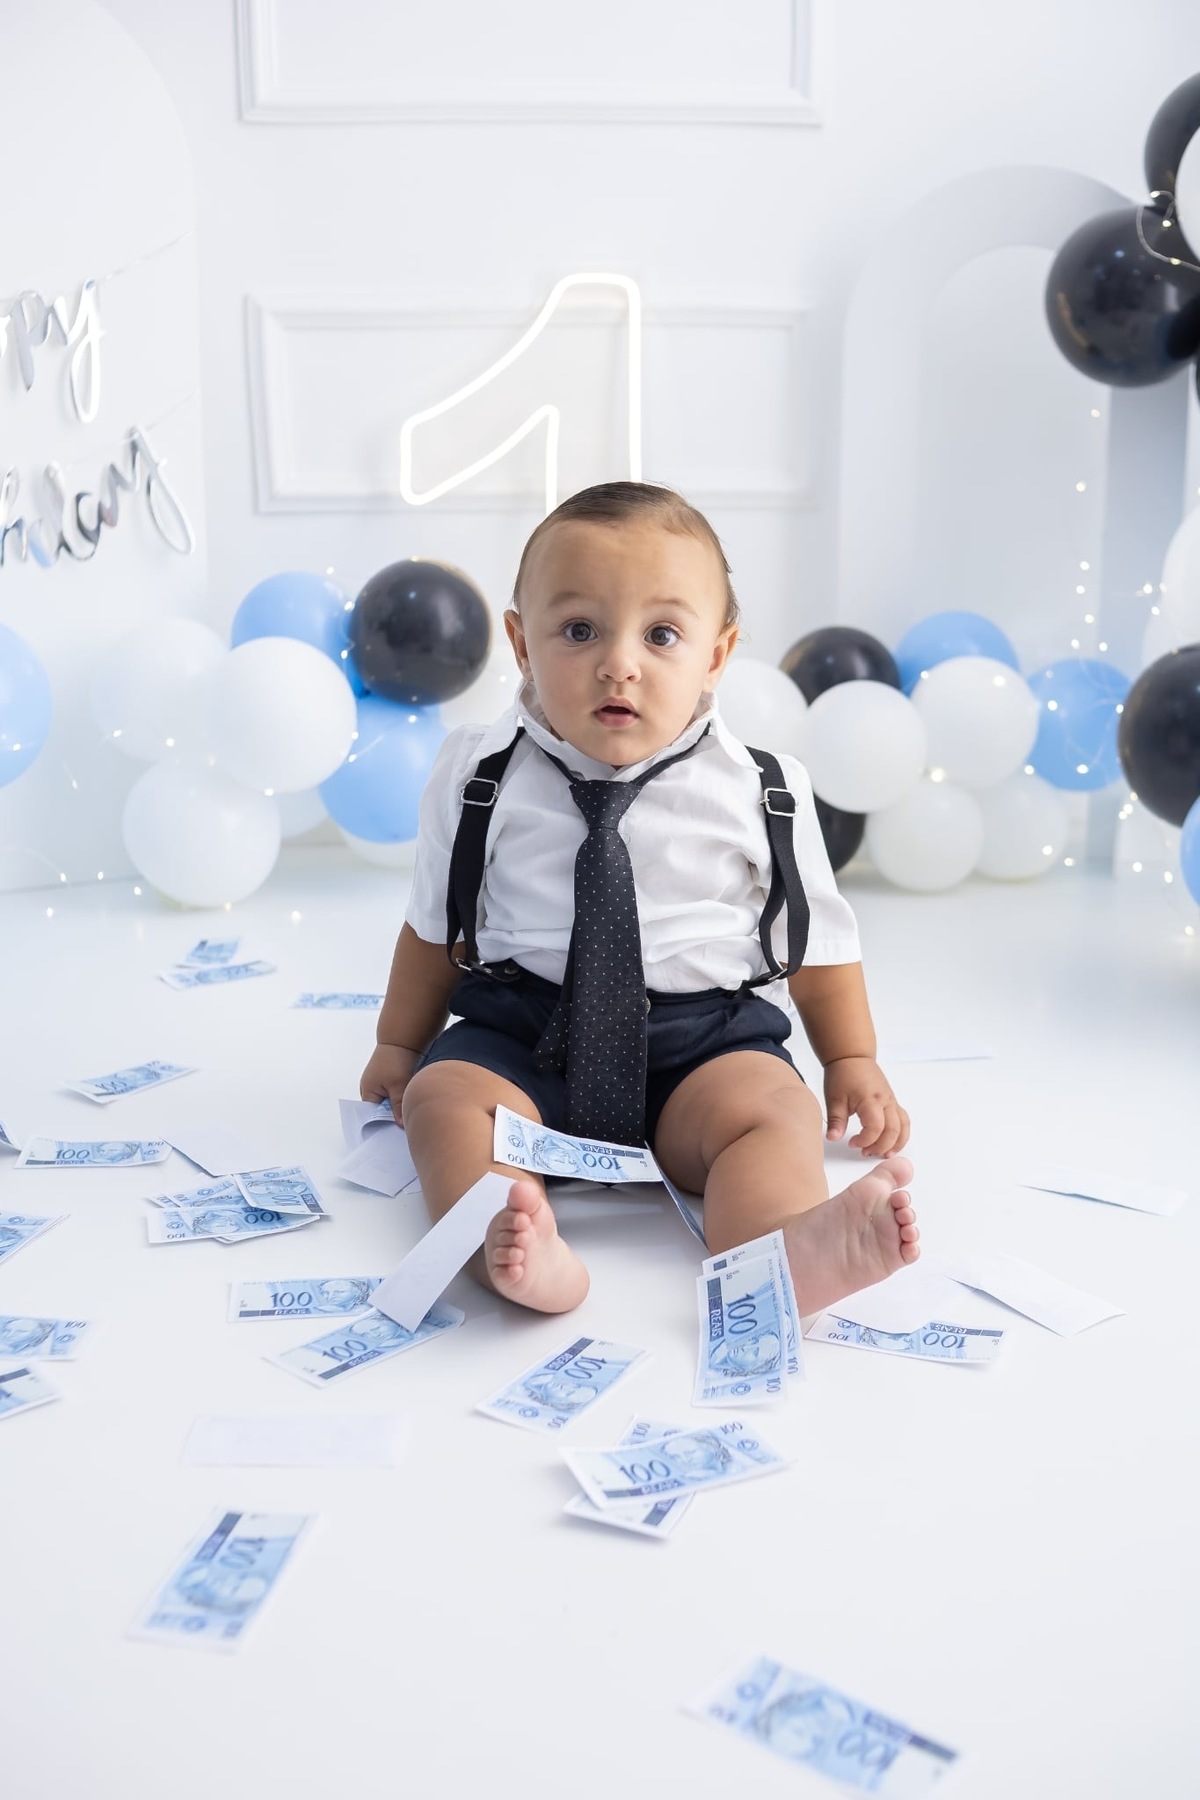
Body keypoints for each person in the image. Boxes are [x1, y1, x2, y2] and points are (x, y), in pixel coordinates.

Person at [361, 482, 918, 1318]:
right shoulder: (477, 773)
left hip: (701, 1043)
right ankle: (509, 1243)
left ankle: (779, 1248)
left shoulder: (762, 788)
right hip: (523, 1037)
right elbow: (433, 928)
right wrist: (400, 1048)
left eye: (662, 635)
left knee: (774, 1112)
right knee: (446, 1104)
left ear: (717, 656)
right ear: (520, 641)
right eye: (579, 630)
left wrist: (850, 1060)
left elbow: (822, 945)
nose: (619, 663)